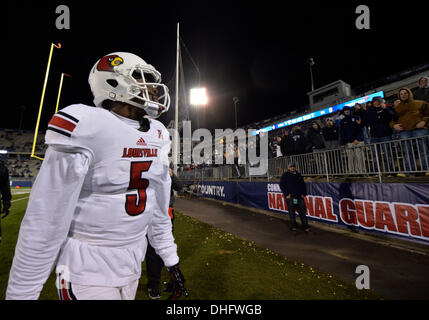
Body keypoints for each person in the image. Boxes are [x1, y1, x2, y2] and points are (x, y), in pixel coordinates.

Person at [6, 52, 188, 300]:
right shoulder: (87, 126)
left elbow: (157, 207)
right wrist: (22, 294)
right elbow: (45, 220)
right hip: (86, 268)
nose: (153, 88)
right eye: (141, 77)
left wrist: (171, 260)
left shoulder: (158, 133)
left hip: (132, 262)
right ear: (113, 82)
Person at [145, 166, 183, 299]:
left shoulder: (166, 167)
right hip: (151, 214)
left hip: (167, 215)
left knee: (164, 252)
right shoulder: (148, 166)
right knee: (153, 252)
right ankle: (153, 286)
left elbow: (179, 187)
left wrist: (171, 175)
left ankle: (157, 283)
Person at [390, 87, 429, 176]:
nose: (403, 95)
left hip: (419, 130)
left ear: (409, 93)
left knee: (423, 149)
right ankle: (409, 171)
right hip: (404, 131)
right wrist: (394, 125)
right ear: (399, 96)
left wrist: (424, 121)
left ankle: (427, 168)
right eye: (401, 94)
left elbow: (427, 114)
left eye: (405, 93)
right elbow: (392, 120)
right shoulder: (397, 108)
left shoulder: (420, 103)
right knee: (406, 152)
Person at [364, 97, 396, 172]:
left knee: (388, 154)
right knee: (375, 155)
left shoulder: (386, 109)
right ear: (373, 103)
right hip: (374, 136)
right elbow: (365, 122)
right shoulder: (369, 111)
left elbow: (394, 116)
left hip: (386, 135)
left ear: (381, 102)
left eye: (378, 101)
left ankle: (391, 170)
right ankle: (376, 171)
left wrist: (386, 108)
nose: (376, 102)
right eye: (375, 101)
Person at [279, 163, 310, 233]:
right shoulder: (285, 175)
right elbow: (282, 185)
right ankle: (294, 226)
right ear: (288, 168)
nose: (292, 168)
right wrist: (287, 194)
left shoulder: (298, 174)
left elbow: (303, 184)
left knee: (302, 212)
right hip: (291, 197)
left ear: (295, 167)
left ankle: (305, 226)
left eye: (293, 167)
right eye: (291, 167)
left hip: (299, 197)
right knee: (292, 212)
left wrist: (304, 193)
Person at [339, 107, 366, 174]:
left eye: (348, 110)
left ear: (350, 110)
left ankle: (362, 172)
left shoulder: (357, 117)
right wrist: (342, 143)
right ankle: (352, 172)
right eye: (345, 110)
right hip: (349, 142)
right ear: (343, 112)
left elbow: (360, 129)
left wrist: (358, 139)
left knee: (360, 157)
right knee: (350, 158)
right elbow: (342, 133)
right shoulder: (342, 121)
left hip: (358, 141)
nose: (347, 111)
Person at [0, 158, 12, 243]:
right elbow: (5, 188)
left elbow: (5, 188)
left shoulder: (2, 167)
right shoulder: (2, 167)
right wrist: (6, 203)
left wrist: (6, 203)